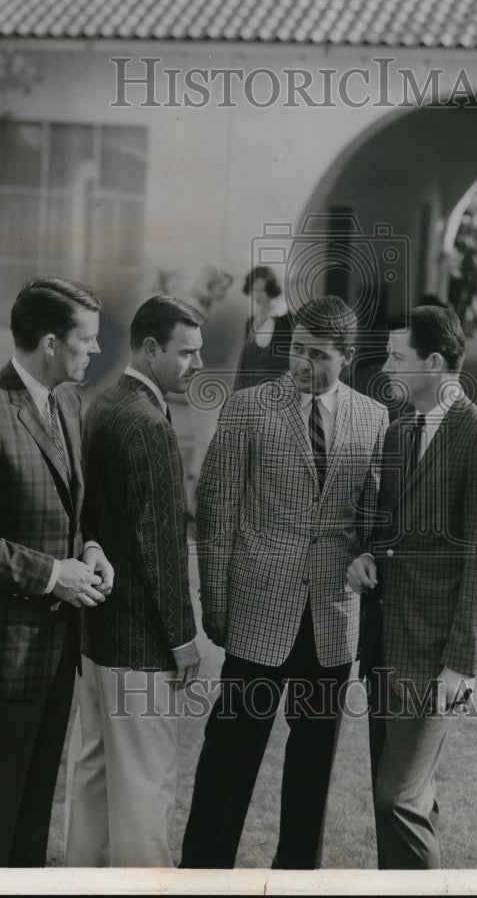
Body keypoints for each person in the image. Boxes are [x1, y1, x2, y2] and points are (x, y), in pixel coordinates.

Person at [181, 295, 388, 869]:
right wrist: (215, 601)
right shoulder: (247, 408)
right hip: (256, 618)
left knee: (312, 772)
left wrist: (369, 559)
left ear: (345, 356)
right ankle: (202, 874)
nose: (300, 364)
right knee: (228, 761)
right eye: (296, 350)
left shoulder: (373, 418)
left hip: (332, 620)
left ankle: (298, 877)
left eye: (317, 355)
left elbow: (373, 517)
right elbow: (217, 511)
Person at [0, 276, 113, 867]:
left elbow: (68, 510)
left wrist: (89, 549)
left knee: (32, 818)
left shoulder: (66, 402)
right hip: (3, 657)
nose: (97, 351)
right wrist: (51, 575)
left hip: (56, 651)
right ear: (53, 342)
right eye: (88, 340)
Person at [348, 305, 477, 870]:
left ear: (437, 363)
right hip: (382, 648)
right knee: (403, 798)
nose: (385, 366)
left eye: (398, 356)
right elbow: (385, 530)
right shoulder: (400, 433)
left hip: (433, 660)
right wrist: (365, 558)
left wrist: (461, 667)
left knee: (396, 797)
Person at [64, 295, 204, 867]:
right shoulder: (146, 424)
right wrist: (182, 637)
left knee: (93, 781)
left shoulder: (103, 404)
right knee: (147, 789)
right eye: (186, 353)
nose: (195, 365)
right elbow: (160, 547)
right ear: (150, 349)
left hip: (97, 638)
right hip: (141, 644)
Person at [233, 265, 292, 391]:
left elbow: (287, 361)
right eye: (255, 290)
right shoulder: (250, 322)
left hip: (275, 389)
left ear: (271, 290)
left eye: (262, 290)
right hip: (249, 388)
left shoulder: (285, 319)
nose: (258, 295)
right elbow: (244, 362)